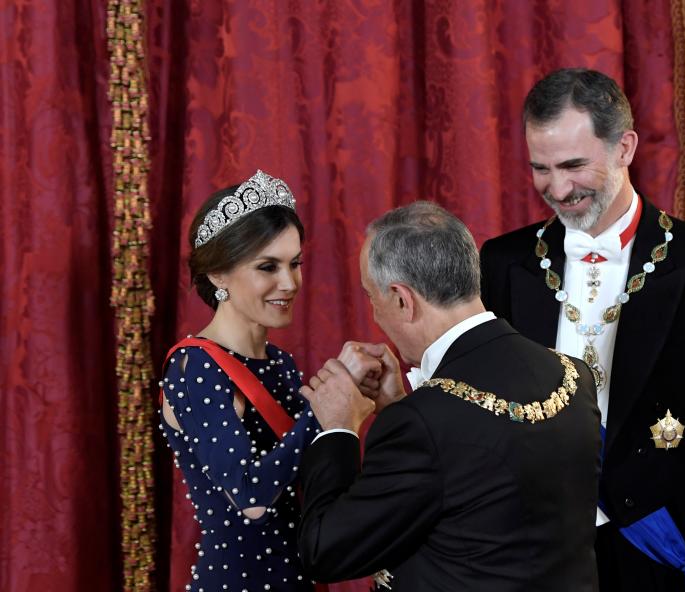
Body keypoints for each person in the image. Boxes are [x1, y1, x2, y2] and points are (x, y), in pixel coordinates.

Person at [480, 68, 685, 591]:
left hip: (655, 556)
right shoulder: (503, 263)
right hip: (530, 558)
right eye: (540, 168)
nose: (557, 188)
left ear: (625, 148)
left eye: (573, 165)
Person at [296, 201, 601, 591]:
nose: (374, 314)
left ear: (402, 300)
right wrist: (401, 406)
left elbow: (325, 550)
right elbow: (481, 490)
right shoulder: (574, 375)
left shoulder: (423, 423)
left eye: (372, 298)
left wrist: (337, 430)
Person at [158, 170, 320, 591]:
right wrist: (323, 408)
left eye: (295, 263)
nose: (289, 283)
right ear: (218, 275)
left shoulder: (281, 363)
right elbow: (250, 497)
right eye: (268, 266)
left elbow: (310, 476)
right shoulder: (196, 366)